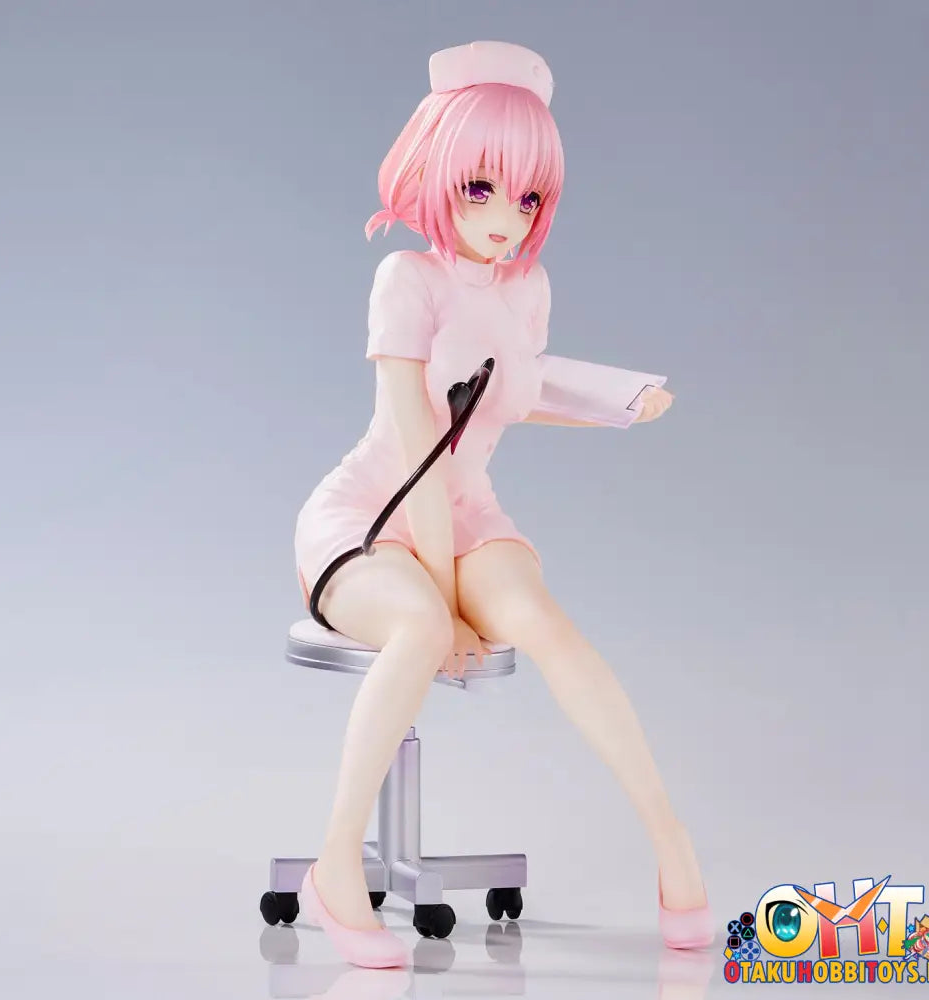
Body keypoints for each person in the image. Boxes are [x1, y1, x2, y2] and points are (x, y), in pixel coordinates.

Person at [294, 40, 713, 969]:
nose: (505, 218)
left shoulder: (527, 289)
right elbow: (419, 440)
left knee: (546, 625)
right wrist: (446, 603)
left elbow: (516, 388)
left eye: (526, 198)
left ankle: (671, 840)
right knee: (417, 628)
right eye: (480, 188)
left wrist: (624, 398)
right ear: (437, 174)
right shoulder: (407, 279)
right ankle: (335, 863)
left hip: (469, 511)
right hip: (373, 514)